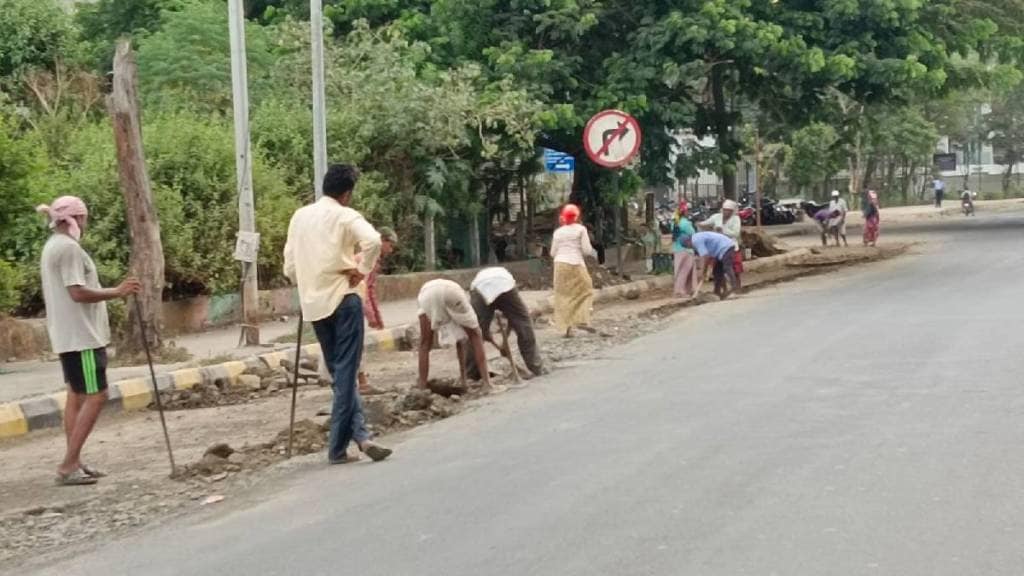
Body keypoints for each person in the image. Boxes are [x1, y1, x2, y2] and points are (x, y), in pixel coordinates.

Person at [284, 164, 391, 465]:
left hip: (314, 306)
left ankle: (362, 437)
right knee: (346, 373)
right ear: (347, 194)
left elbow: (289, 266)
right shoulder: (345, 215)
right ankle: (335, 446)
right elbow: (373, 241)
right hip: (344, 299)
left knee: (339, 374)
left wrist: (309, 279)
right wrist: (361, 270)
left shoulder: (300, 217)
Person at [36, 196, 142, 486]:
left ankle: (74, 459)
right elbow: (78, 292)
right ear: (77, 219)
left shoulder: (53, 246)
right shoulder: (69, 249)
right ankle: (68, 464)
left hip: (68, 335)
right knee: (97, 395)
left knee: (77, 396)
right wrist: (118, 291)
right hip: (82, 336)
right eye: (85, 217)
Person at [465, 267, 546, 381]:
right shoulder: (507, 279)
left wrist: (504, 341)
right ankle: (536, 366)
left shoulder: (480, 280)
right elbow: (515, 319)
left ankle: (471, 374)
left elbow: (485, 329)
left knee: (475, 332)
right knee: (524, 324)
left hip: (483, 288)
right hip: (498, 286)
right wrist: (499, 340)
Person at [416, 279, 493, 390]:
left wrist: (463, 379)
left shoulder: (448, 315)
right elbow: (467, 338)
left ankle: (422, 386)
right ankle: (487, 383)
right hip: (450, 292)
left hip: (425, 295)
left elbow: (459, 341)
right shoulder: (461, 297)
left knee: (424, 344)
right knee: (476, 335)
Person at [550, 204, 596, 337]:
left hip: (559, 265)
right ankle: (581, 319)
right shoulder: (581, 229)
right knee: (585, 290)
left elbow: (553, 253)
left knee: (563, 296)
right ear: (576, 217)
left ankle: (566, 329)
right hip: (576, 264)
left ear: (563, 217)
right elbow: (587, 250)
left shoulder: (558, 232)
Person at [700, 199, 743, 288]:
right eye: (724, 210)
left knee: (733, 269)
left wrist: (723, 231)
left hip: (731, 248)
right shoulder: (716, 217)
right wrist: (701, 225)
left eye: (728, 210)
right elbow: (705, 223)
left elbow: (735, 233)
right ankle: (720, 289)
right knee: (717, 270)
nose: (726, 212)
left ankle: (736, 287)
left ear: (732, 211)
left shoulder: (736, 219)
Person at [684, 231, 740, 300]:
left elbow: (706, 257)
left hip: (726, 246)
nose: (690, 248)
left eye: (687, 246)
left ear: (687, 242)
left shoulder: (696, 241)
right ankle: (717, 292)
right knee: (717, 271)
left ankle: (734, 290)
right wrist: (708, 268)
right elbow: (709, 256)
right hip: (719, 250)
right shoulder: (697, 237)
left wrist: (704, 272)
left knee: (727, 267)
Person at [671, 201, 701, 298]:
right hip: (687, 250)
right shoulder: (686, 223)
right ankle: (681, 291)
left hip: (677, 249)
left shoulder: (674, 223)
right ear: (685, 212)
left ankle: (684, 290)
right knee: (685, 271)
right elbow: (693, 234)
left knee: (679, 270)